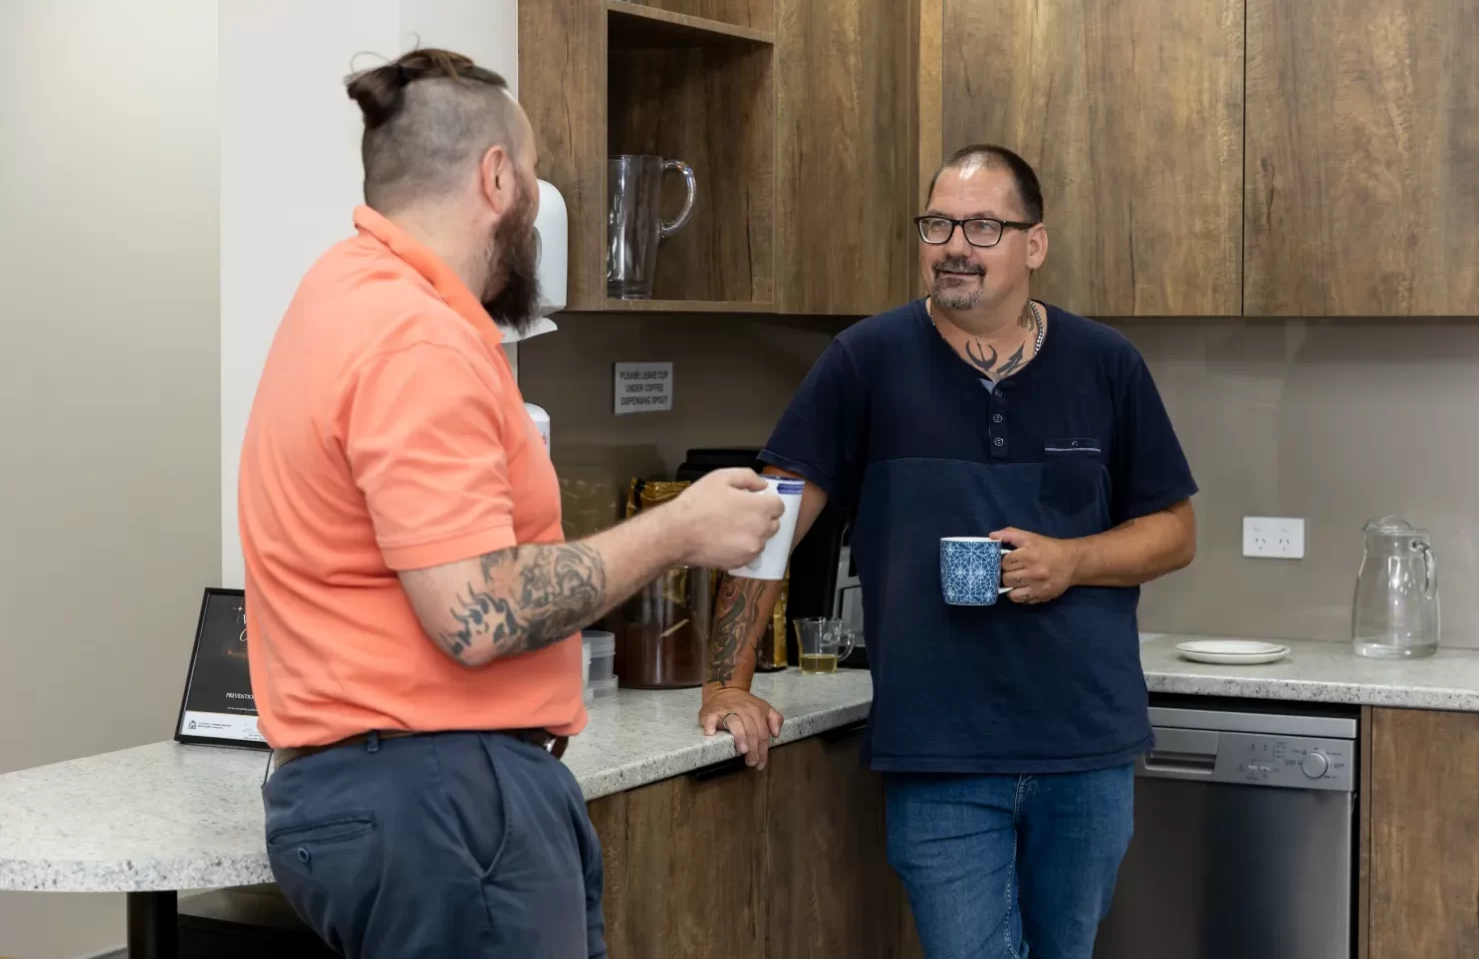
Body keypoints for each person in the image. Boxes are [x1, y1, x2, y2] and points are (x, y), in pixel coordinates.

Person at [239, 48, 784, 959]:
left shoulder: (339, 295)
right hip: (438, 799)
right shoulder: (415, 340)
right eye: (533, 176)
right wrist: (679, 530)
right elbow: (475, 611)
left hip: (399, 796)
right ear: (497, 178)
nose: (536, 206)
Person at [698, 145, 1198, 959]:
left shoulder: (1107, 364)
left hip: (1085, 746)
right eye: (938, 225)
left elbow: (1175, 531)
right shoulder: (865, 359)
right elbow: (768, 520)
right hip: (938, 752)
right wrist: (727, 682)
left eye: (983, 227)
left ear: (1034, 244)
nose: (955, 245)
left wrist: (1072, 560)